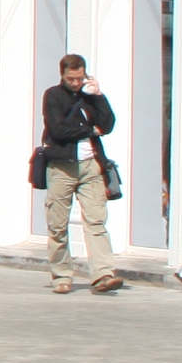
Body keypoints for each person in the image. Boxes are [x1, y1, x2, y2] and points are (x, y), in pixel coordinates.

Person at [40, 53, 125, 295]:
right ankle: (61, 276)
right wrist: (90, 130)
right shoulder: (53, 95)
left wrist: (98, 96)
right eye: (70, 79)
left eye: (79, 78)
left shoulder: (90, 97)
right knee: (57, 225)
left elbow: (108, 124)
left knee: (96, 221)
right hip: (61, 167)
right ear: (62, 75)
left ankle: (103, 274)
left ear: (85, 74)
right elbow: (58, 131)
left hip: (91, 166)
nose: (75, 83)